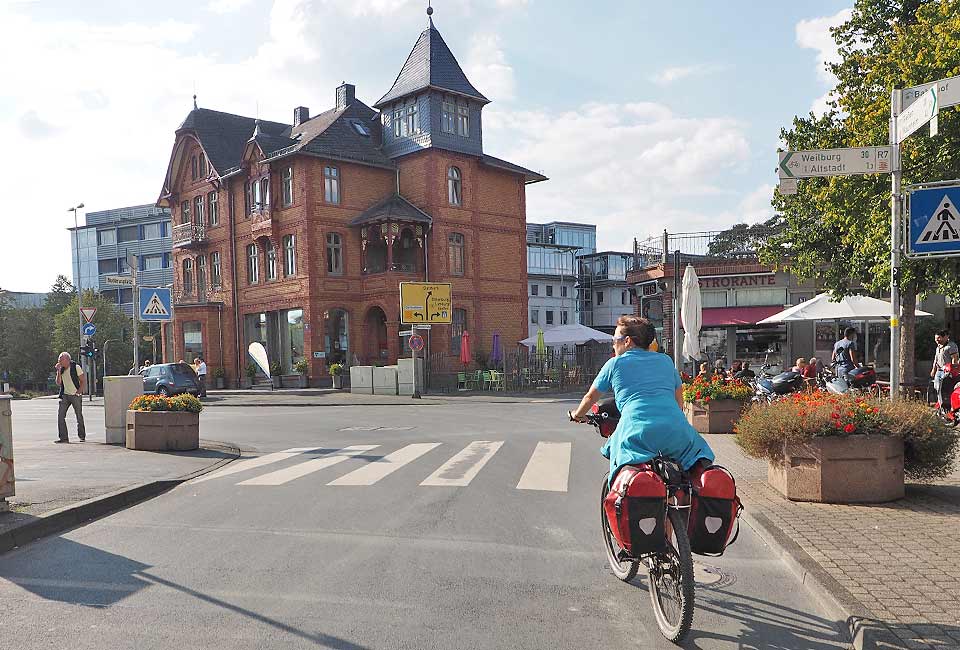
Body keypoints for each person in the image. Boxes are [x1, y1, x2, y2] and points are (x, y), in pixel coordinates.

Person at [569, 316, 715, 483]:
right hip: (677, 431)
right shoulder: (666, 361)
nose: (613, 344)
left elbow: (590, 397)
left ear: (627, 341)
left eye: (615, 339)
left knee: (623, 476)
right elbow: (679, 401)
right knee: (692, 465)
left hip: (636, 433)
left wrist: (578, 414)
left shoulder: (615, 364)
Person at [54, 352, 86, 443]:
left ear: (67, 360)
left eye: (61, 360)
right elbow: (58, 382)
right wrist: (58, 371)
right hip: (65, 395)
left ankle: (82, 436)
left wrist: (79, 392)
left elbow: (83, 381)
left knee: (79, 416)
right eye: (59, 360)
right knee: (60, 416)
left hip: (75, 395)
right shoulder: (62, 369)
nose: (59, 362)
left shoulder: (76, 367)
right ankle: (63, 438)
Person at [931, 330, 959, 398]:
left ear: (944, 337)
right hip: (939, 371)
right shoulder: (938, 347)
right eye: (935, 338)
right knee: (937, 387)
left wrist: (952, 370)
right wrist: (933, 370)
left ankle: (947, 403)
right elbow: (936, 360)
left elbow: (954, 359)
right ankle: (940, 404)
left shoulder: (951, 346)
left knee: (945, 388)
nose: (936, 340)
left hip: (947, 372)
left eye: (938, 338)